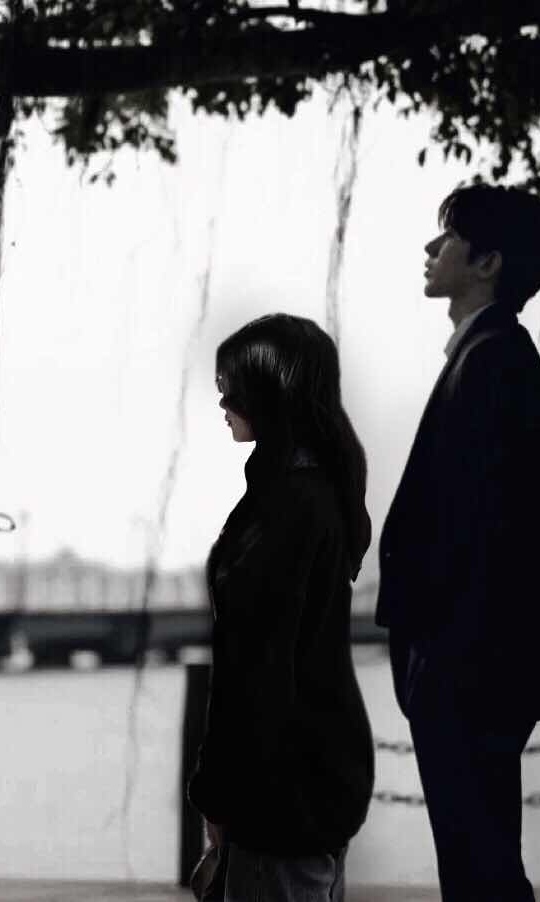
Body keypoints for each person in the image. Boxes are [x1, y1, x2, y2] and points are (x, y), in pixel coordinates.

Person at [375, 183, 540, 902]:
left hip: (467, 668)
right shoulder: (491, 355)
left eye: (447, 236)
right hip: (474, 666)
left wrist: (430, 655)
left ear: (487, 262)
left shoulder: (491, 361)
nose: (431, 248)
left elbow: (473, 530)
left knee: (479, 870)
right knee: (480, 864)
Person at [187, 313, 375, 902]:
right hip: (314, 772)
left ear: (273, 390)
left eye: (233, 385)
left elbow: (259, 665)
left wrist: (219, 798)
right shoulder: (314, 492)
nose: (222, 399)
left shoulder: (287, 509)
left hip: (281, 790)